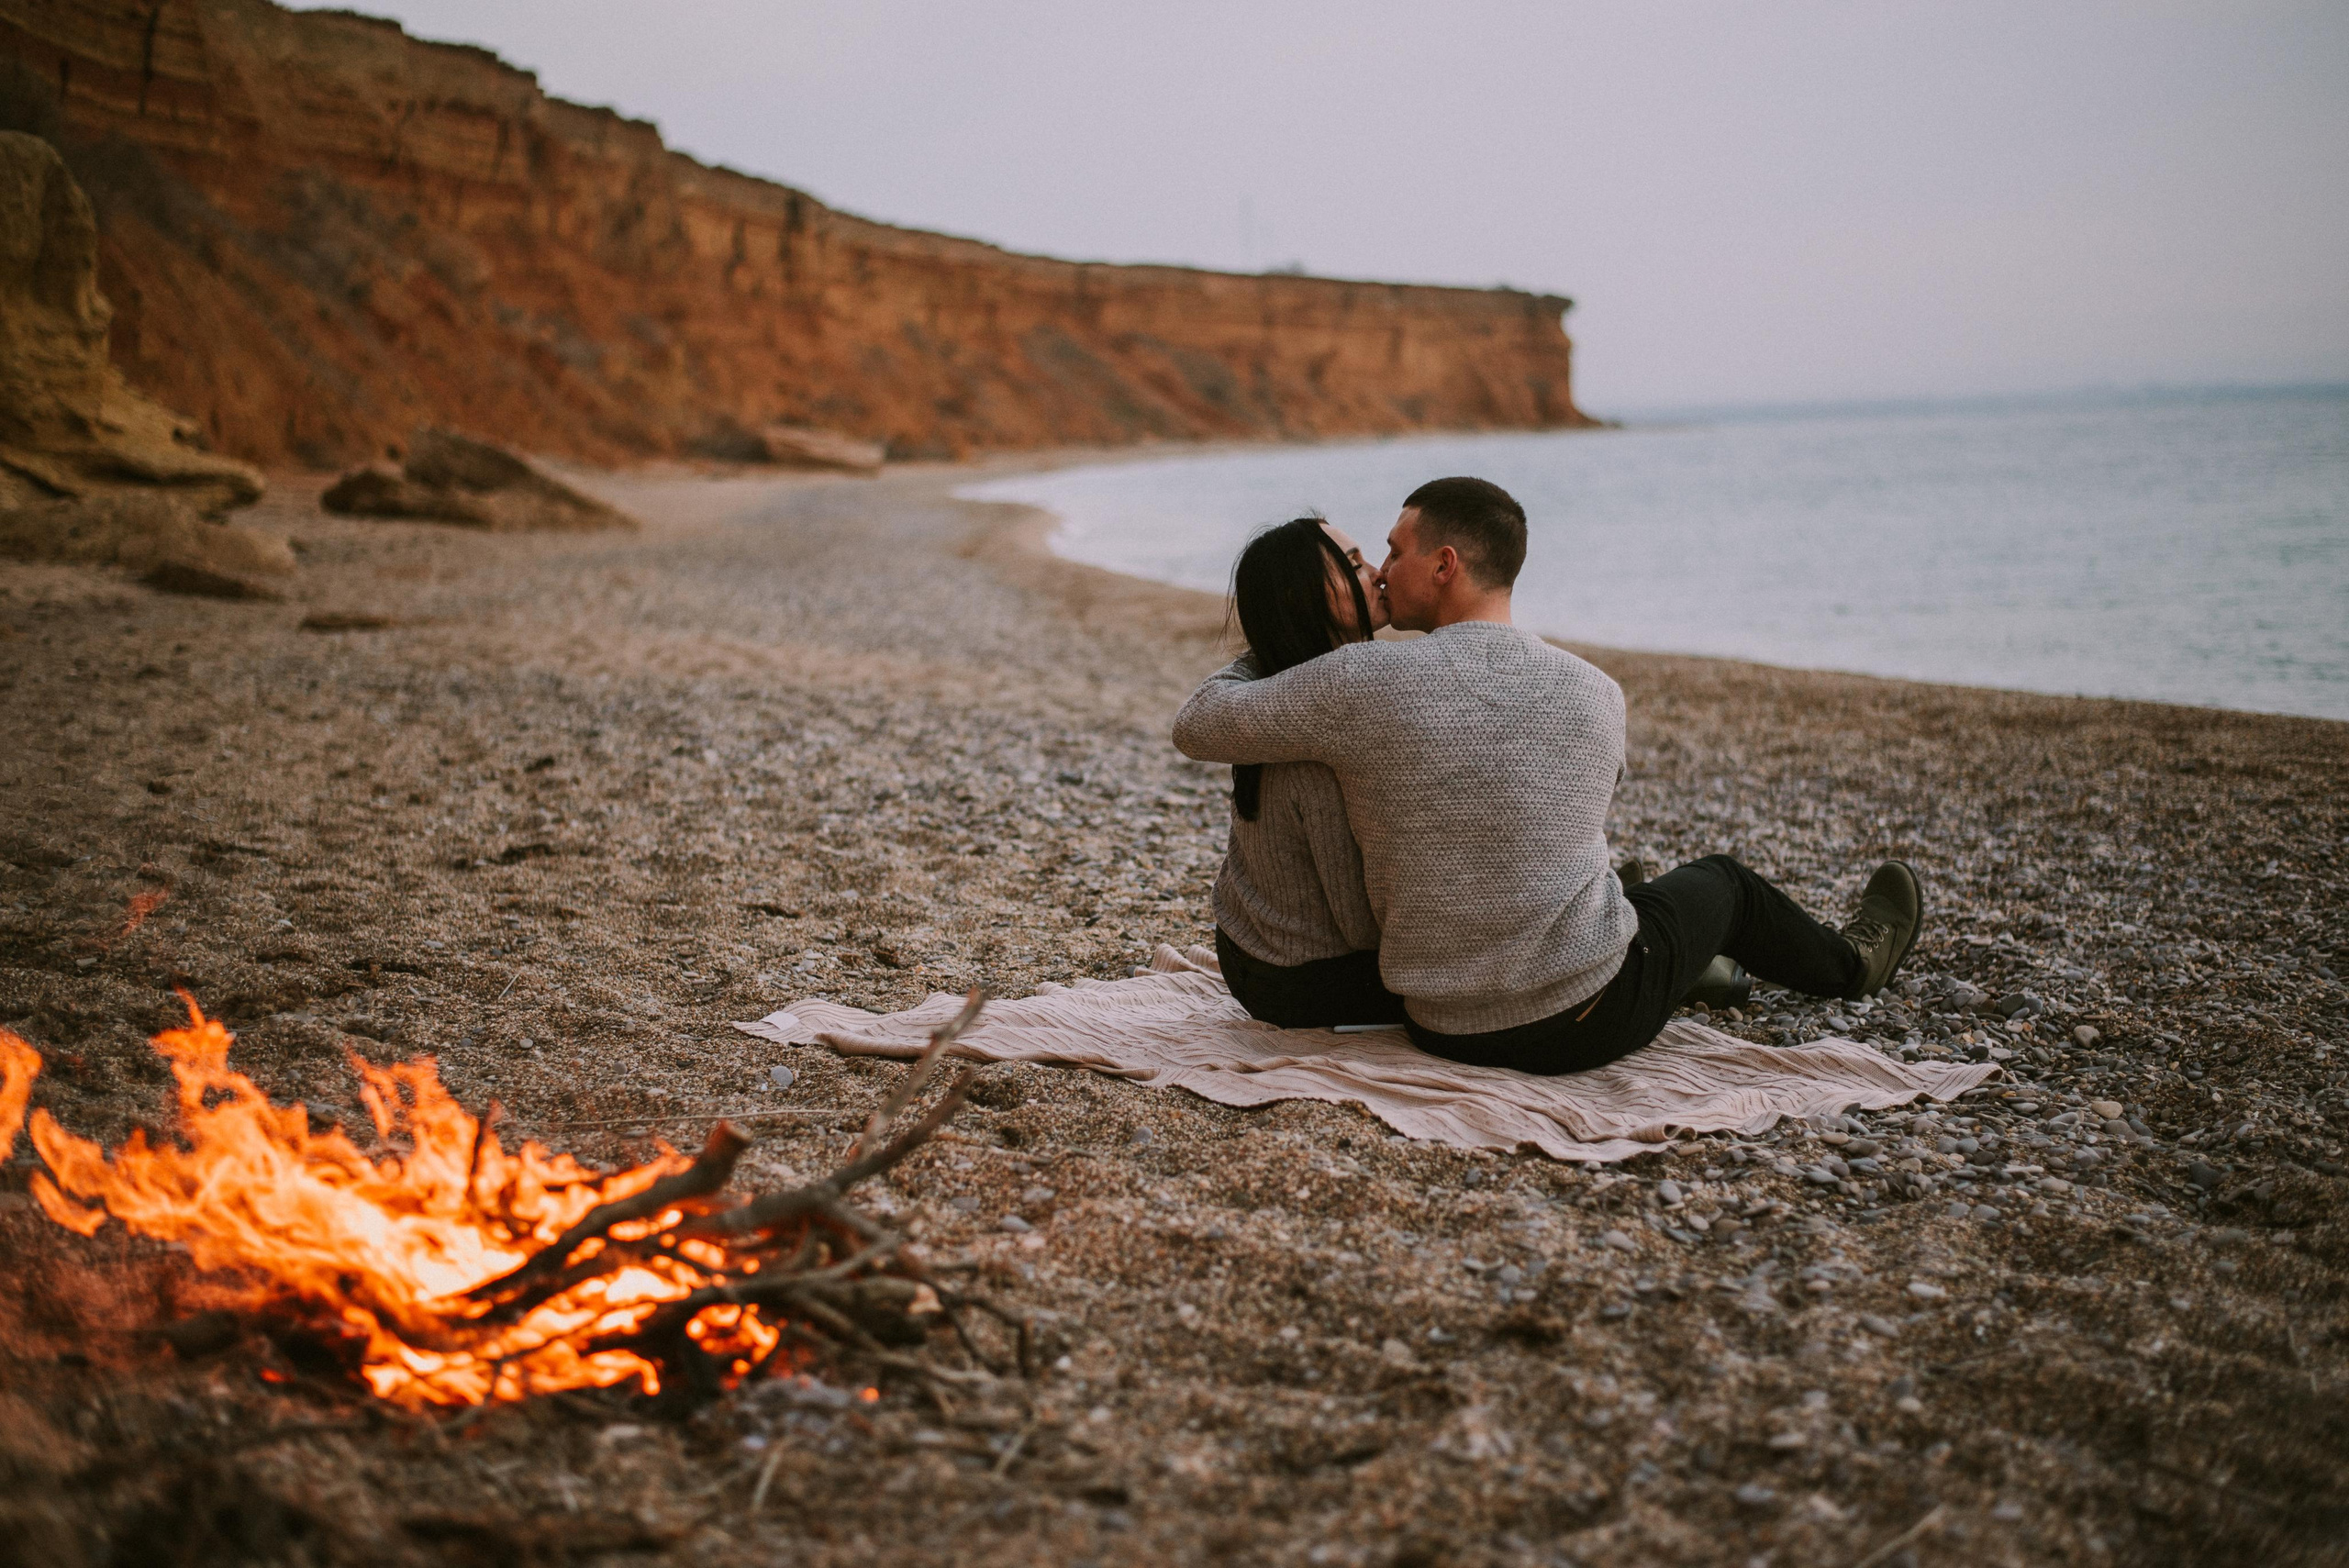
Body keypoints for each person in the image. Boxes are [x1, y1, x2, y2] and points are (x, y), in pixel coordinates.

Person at [1173, 476, 1923, 1074]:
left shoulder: (1353, 684)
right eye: (1369, 558)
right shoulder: (1595, 692)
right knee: (1724, 883)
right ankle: (1853, 964)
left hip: (1442, 1024)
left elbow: (1204, 719)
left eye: (1390, 553)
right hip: (1578, 1019)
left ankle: (1688, 963)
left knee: (1573, 881)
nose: (1381, 572)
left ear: (1444, 566)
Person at [1208, 517, 1409, 1028]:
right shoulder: (1312, 743)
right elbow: (1360, 929)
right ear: (1304, 598)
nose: (1378, 574)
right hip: (1300, 981)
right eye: (1354, 565)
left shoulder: (1279, 687)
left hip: (1250, 949)